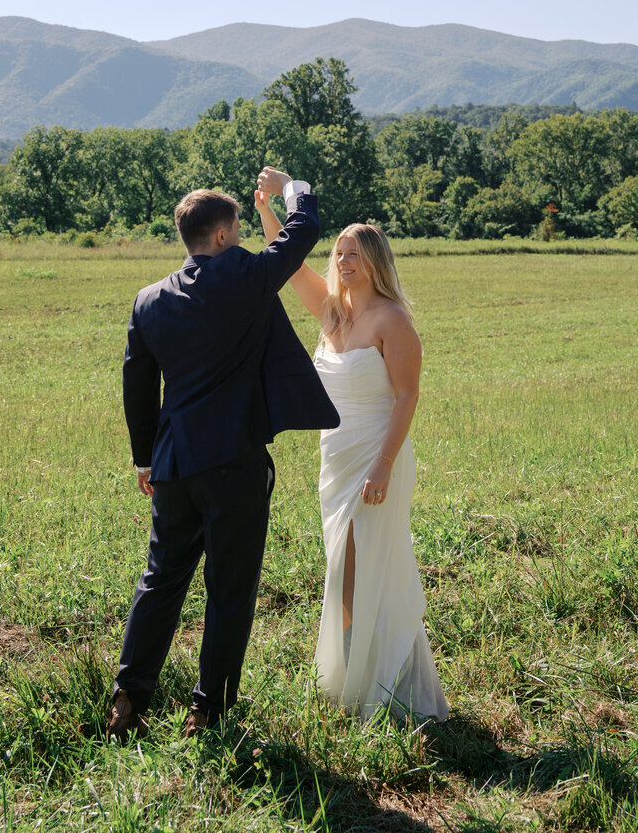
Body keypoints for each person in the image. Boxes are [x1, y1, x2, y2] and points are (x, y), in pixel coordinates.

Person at [108, 173, 339, 742]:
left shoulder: (149, 300)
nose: (240, 240)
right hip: (234, 461)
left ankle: (127, 701)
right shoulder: (244, 275)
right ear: (218, 236)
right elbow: (305, 227)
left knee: (160, 580)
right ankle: (208, 711)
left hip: (174, 467)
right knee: (230, 589)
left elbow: (137, 386)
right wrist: (294, 187)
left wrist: (145, 461)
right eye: (236, 231)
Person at [255, 177, 449, 721]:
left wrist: (384, 463)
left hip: (377, 456)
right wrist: (271, 208)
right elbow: (290, 264)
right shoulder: (334, 313)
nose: (343, 262)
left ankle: (386, 686)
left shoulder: (393, 320)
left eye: (353, 255)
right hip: (335, 461)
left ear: (376, 262)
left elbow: (408, 396)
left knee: (368, 566)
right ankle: (352, 680)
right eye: (338, 253)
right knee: (342, 569)